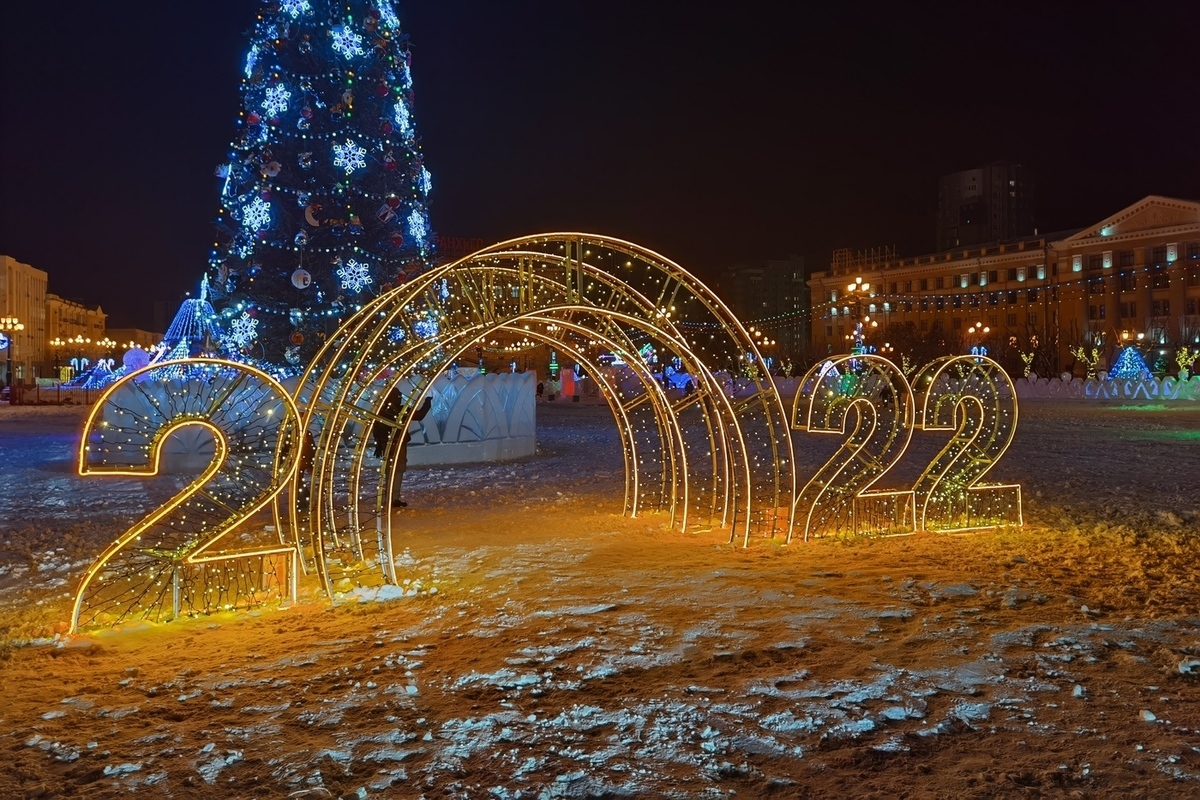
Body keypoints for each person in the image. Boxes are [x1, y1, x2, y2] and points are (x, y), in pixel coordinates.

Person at [372, 386, 433, 508]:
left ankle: (388, 498)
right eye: (398, 396)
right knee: (398, 469)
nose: (400, 399)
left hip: (385, 443)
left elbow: (376, 427)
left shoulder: (382, 410)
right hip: (397, 443)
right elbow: (420, 415)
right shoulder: (401, 410)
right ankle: (393, 498)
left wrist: (378, 443)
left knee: (389, 470)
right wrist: (428, 401)